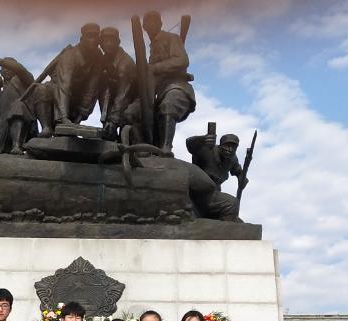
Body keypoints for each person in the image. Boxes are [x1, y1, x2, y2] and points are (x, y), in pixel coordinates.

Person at [32, 22, 103, 137]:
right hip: (57, 95)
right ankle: (47, 128)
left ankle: (68, 123)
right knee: (40, 89)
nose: (93, 40)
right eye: (90, 36)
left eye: (96, 36)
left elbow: (92, 88)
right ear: (82, 38)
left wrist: (80, 116)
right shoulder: (70, 55)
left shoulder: (98, 56)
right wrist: (63, 118)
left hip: (76, 100)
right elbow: (64, 85)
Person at [142, 10, 196, 155]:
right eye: (148, 22)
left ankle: (166, 147)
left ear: (160, 24)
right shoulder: (153, 46)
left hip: (178, 86)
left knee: (169, 103)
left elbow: (182, 60)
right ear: (144, 27)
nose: (151, 25)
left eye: (155, 22)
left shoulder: (171, 38)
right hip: (161, 91)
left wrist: (155, 68)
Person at [185, 133, 246, 221]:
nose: (230, 150)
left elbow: (237, 170)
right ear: (220, 145)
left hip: (213, 193)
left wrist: (241, 177)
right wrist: (203, 139)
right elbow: (190, 144)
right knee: (232, 203)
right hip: (197, 192)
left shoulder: (232, 158)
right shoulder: (208, 150)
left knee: (233, 212)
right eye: (227, 146)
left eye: (234, 147)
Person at [98, 26, 140, 142]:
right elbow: (103, 93)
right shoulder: (103, 61)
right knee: (109, 130)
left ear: (118, 42)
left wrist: (113, 120)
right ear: (100, 44)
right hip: (116, 101)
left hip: (134, 101)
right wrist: (106, 120)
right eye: (105, 41)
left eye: (112, 40)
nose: (109, 44)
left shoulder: (125, 64)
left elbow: (123, 94)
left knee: (127, 117)